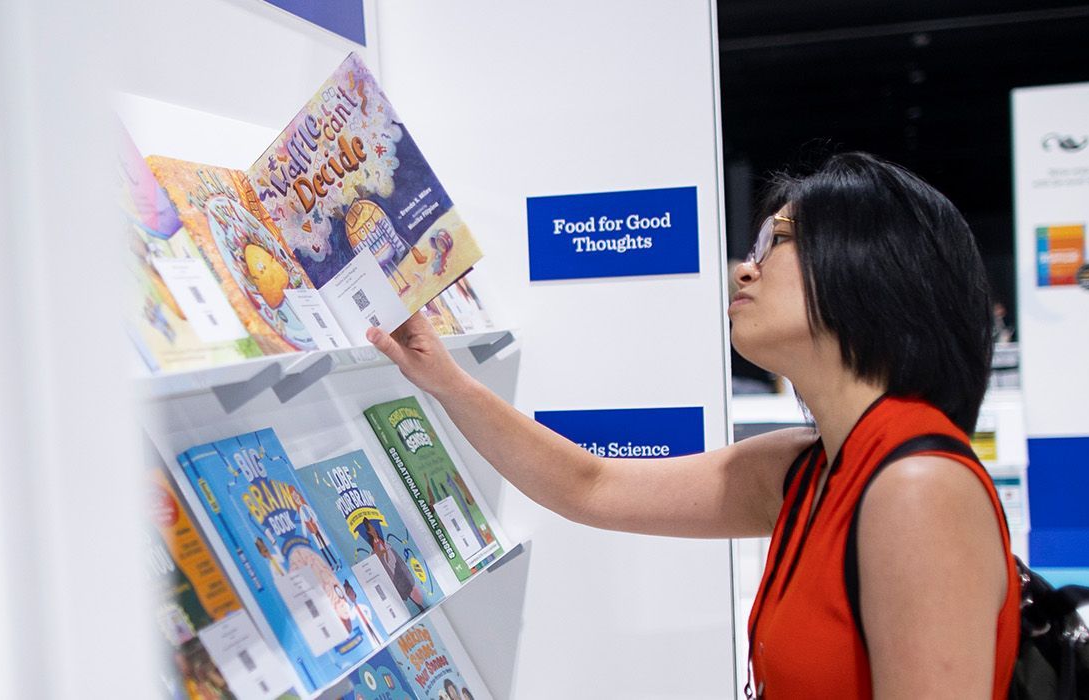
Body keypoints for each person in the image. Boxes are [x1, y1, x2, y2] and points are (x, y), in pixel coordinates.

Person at [367, 152, 1019, 698]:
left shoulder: (916, 488)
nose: (746, 267)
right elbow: (590, 485)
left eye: (781, 241)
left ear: (869, 263)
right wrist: (447, 382)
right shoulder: (809, 469)